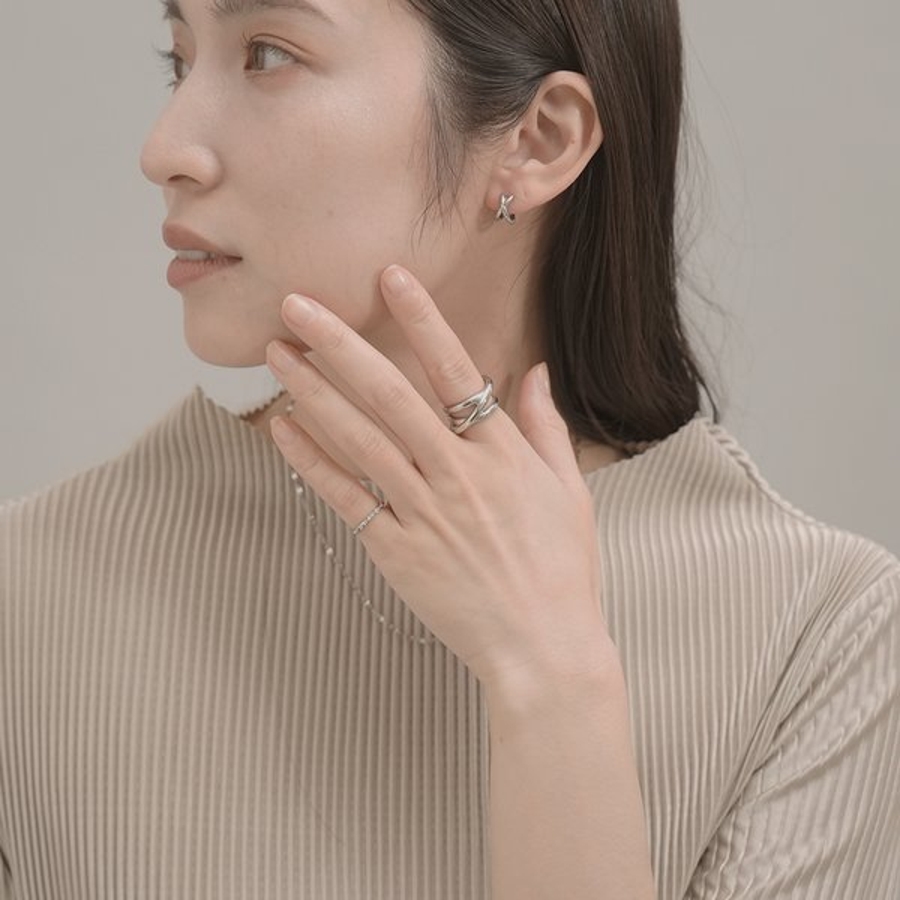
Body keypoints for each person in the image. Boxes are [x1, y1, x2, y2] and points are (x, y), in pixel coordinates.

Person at [0, 0, 897, 897]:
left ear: (539, 140)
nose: (163, 149)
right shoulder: (30, 596)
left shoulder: (817, 638)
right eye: (179, 58)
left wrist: (553, 682)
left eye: (268, 54)